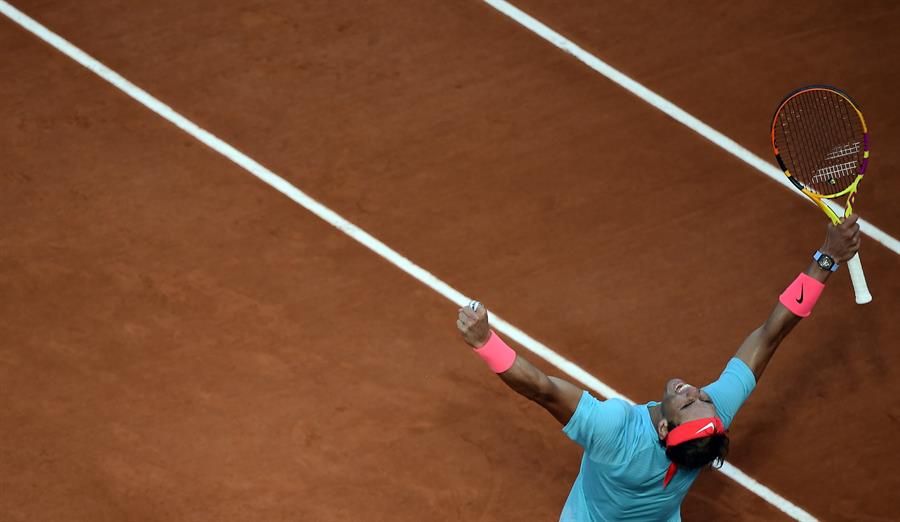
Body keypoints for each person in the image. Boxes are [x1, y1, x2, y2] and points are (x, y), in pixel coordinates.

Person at [456, 216, 861, 521]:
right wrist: (825, 261)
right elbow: (770, 336)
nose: (695, 390)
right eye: (703, 397)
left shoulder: (614, 432)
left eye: (688, 402)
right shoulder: (706, 421)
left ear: (665, 429)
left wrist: (484, 342)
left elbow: (542, 389)